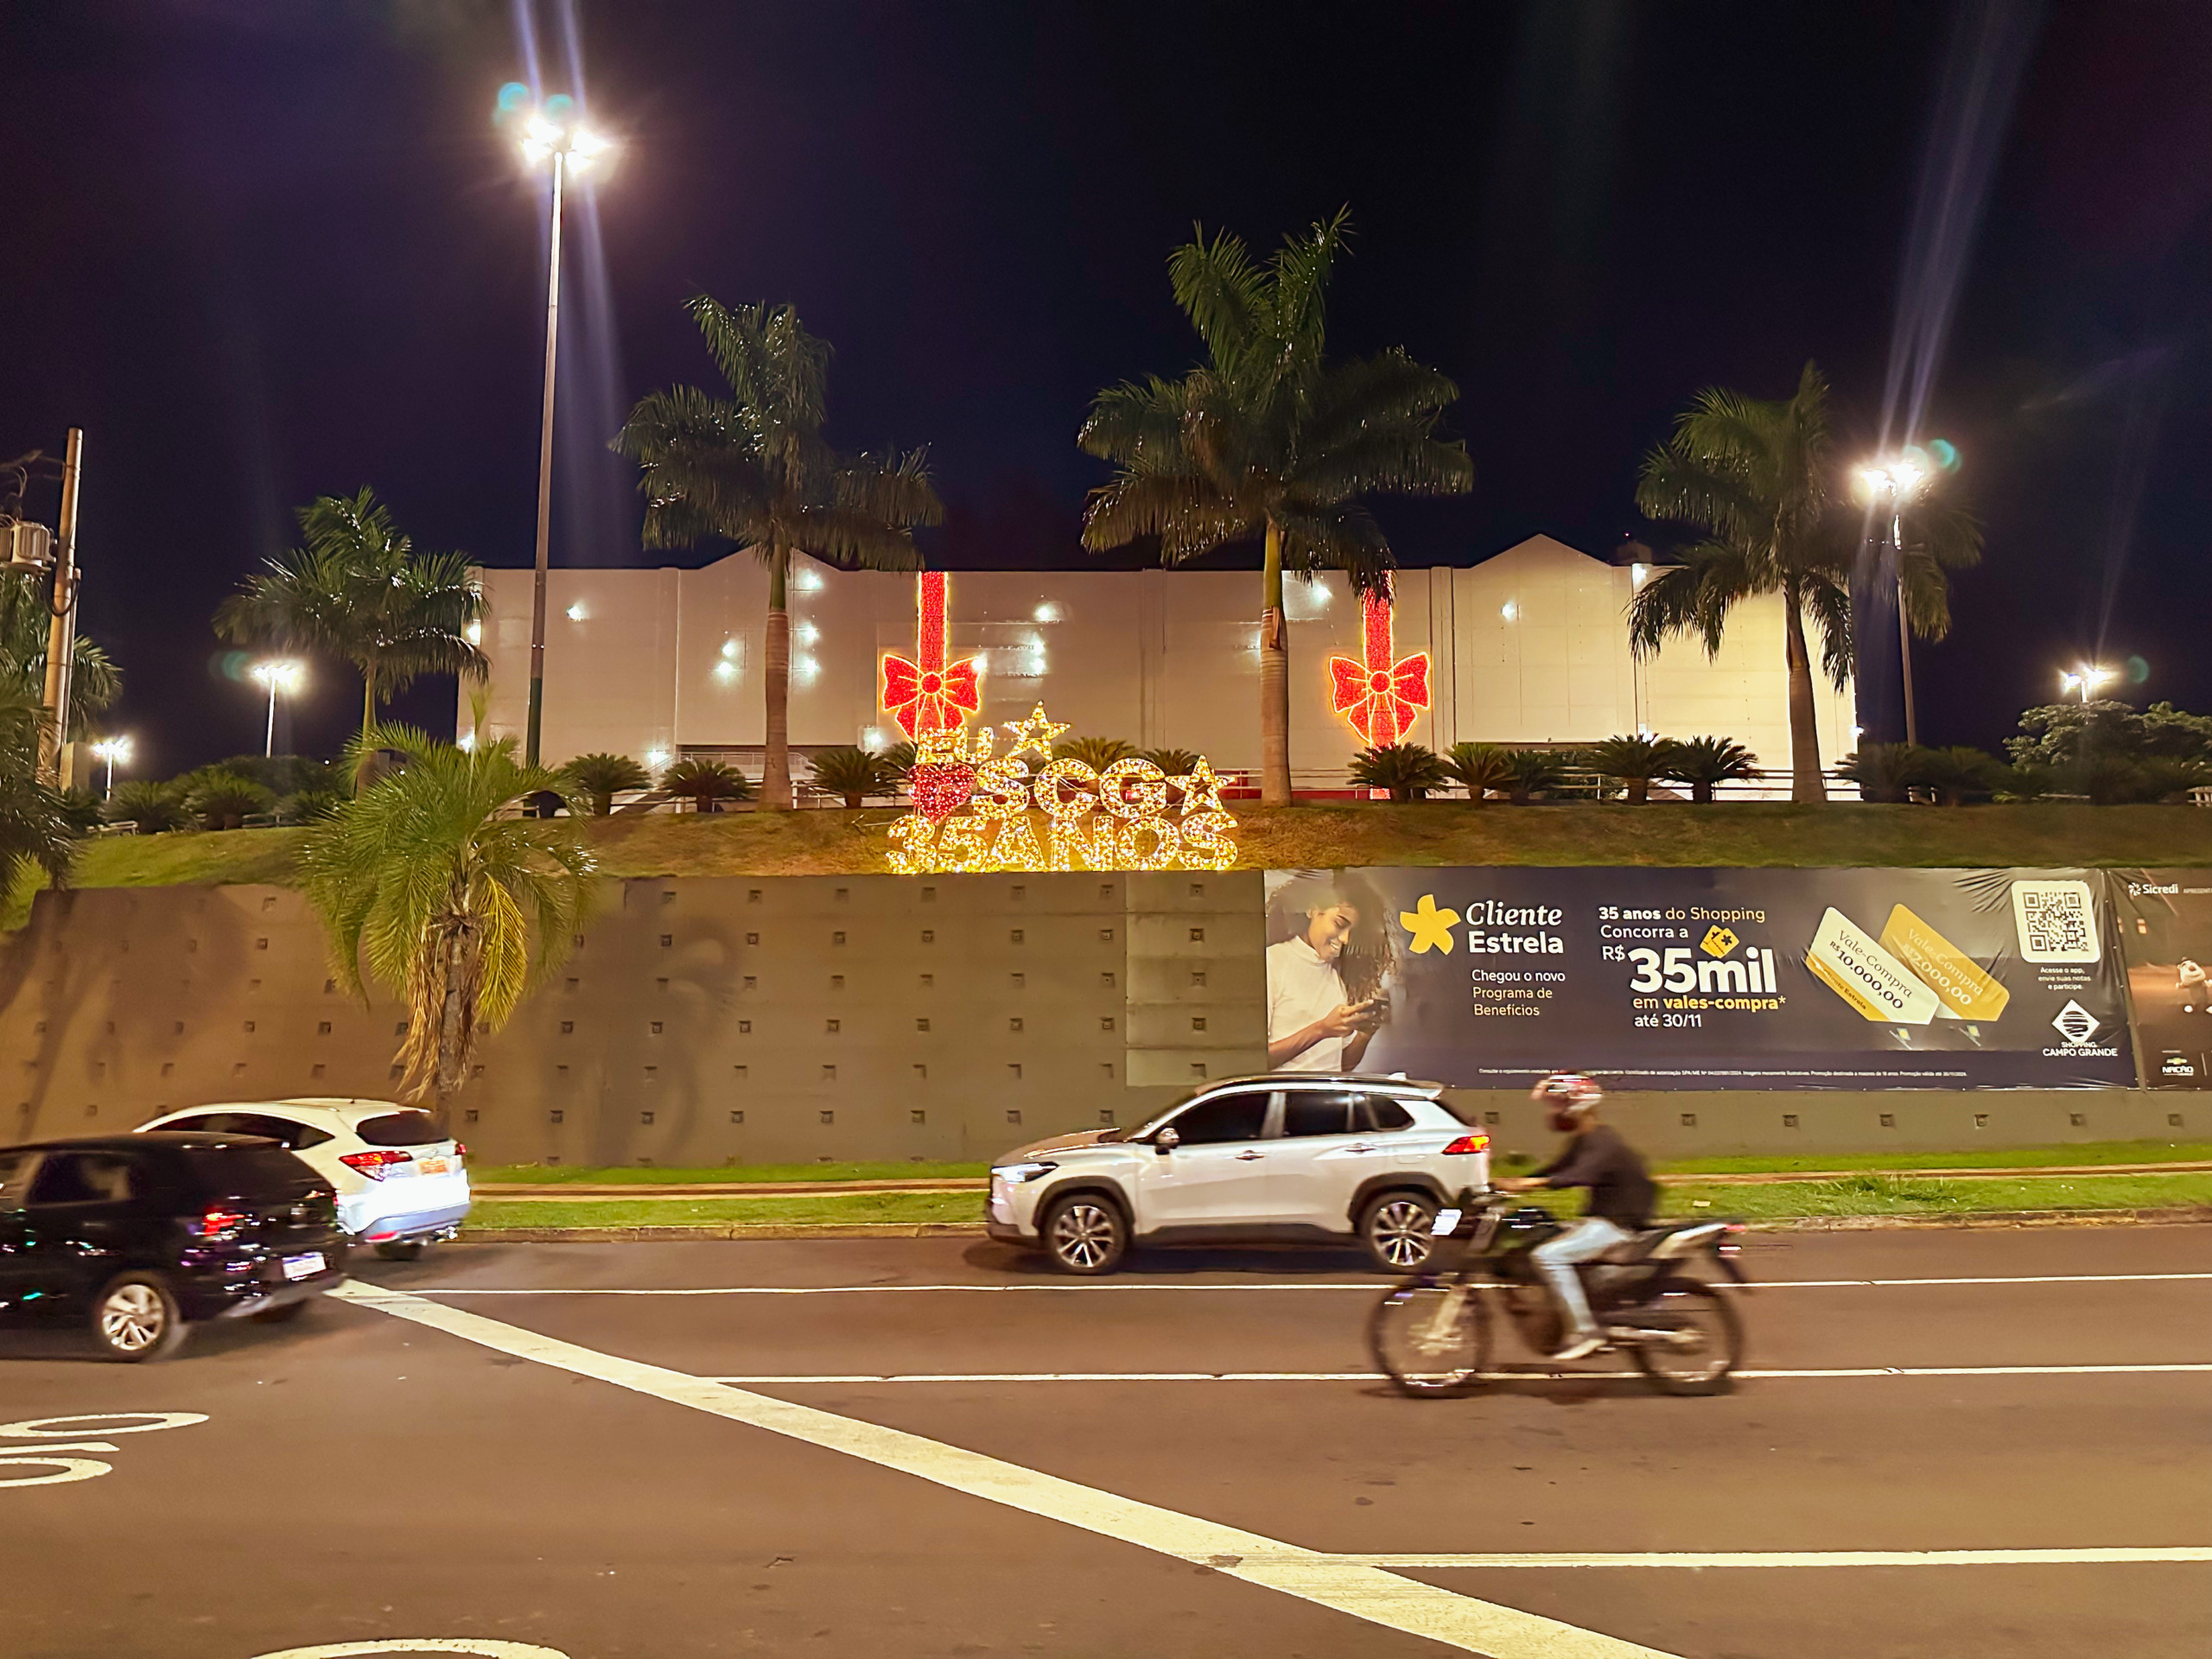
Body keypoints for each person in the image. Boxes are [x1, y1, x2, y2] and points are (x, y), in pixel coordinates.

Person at [1498, 1073, 1656, 1362]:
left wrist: (1529, 1185)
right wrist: (1510, 1184)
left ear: (1576, 1105)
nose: (1553, 1112)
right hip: (1600, 1221)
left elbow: (1578, 1174)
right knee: (1540, 1235)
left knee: (1549, 1256)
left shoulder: (1602, 1141)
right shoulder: (1584, 1140)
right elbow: (1554, 1169)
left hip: (1616, 1226)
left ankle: (1585, 1331)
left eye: (1557, 1104)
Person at [1266, 883, 1387, 1071]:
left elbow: (1342, 1064)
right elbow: (1256, 1060)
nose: (1345, 939)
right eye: (1339, 924)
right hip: (1284, 1098)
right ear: (1313, 910)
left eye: (1352, 932)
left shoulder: (1335, 977)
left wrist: (1365, 1034)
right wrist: (1323, 1029)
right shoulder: (1273, 962)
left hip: (1324, 1098)